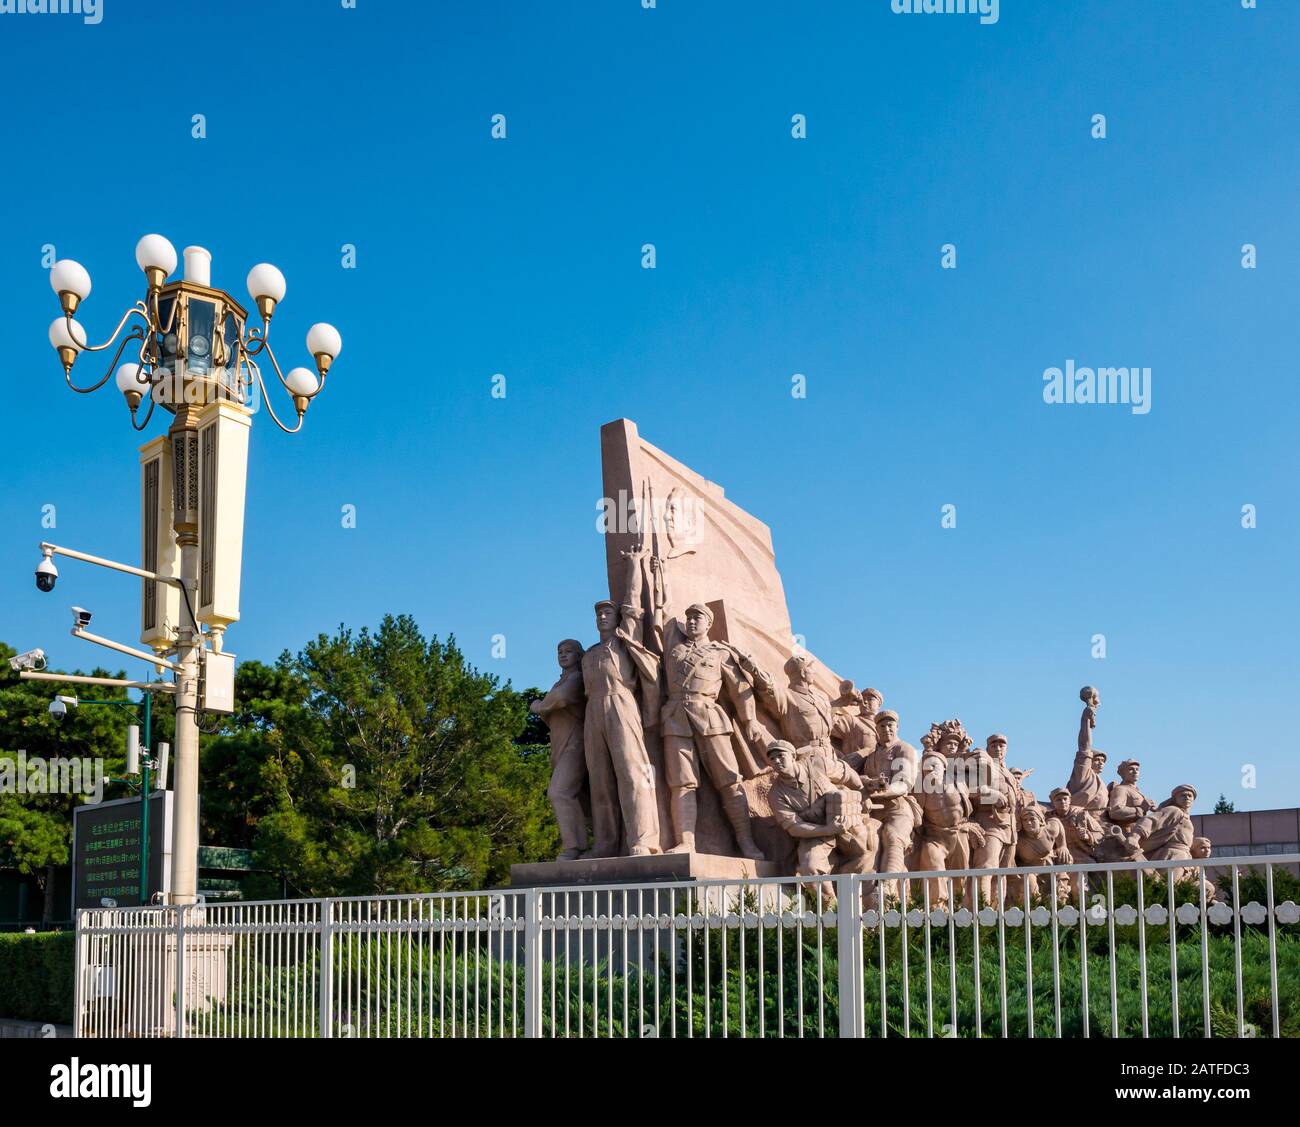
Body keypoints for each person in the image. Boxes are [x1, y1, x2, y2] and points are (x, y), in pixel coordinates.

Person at [660, 602, 767, 860]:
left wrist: (750, 720)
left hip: (710, 716)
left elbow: (741, 690)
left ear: (709, 623)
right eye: (689, 618)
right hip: (675, 718)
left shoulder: (720, 652)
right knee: (681, 784)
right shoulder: (674, 650)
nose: (692, 622)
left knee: (730, 780)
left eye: (698, 618)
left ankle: (746, 842)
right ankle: (685, 841)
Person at [580, 549, 663, 857]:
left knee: (634, 772)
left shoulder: (623, 640)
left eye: (607, 613)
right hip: (593, 710)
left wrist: (635, 565)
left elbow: (632, 606)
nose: (602, 617)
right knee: (600, 779)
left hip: (621, 703)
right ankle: (606, 843)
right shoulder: (589, 653)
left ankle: (644, 838)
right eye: (598, 614)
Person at [766, 740, 874, 908]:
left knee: (866, 850)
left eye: (781, 756)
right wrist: (826, 829)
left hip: (845, 821)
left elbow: (846, 772)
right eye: (772, 759)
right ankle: (832, 913)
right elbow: (794, 826)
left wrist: (862, 792)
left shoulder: (817, 764)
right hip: (816, 832)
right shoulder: (776, 793)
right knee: (810, 867)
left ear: (793, 756)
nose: (777, 761)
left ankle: (860, 899)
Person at [530, 638, 589, 860]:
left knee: (559, 792)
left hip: (576, 743)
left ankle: (574, 848)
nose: (563, 655)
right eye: (559, 652)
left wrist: (538, 706)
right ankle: (580, 846)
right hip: (559, 745)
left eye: (568, 651)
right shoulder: (561, 681)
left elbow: (560, 698)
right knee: (573, 796)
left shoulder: (577, 678)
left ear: (578, 655)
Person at [858, 709, 920, 906]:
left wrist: (884, 791)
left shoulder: (904, 749)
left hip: (898, 807)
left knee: (892, 835)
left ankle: (888, 890)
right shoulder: (870, 757)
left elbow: (904, 783)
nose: (886, 729)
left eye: (890, 725)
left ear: (897, 727)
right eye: (882, 726)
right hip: (874, 809)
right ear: (876, 729)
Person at [971, 733, 1019, 907]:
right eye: (994, 745)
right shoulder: (983, 763)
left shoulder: (1008, 772)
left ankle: (996, 913)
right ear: (987, 748)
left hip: (1010, 828)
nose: (998, 748)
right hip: (989, 822)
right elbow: (969, 790)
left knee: (1002, 873)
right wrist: (992, 795)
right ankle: (981, 910)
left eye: (1002, 745)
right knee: (986, 867)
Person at [1106, 758, 1153, 830]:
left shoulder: (1136, 791)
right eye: (1131, 769)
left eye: (1137, 769)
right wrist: (1141, 809)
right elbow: (1115, 812)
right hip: (1128, 832)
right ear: (1122, 773)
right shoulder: (1120, 789)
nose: (1135, 772)